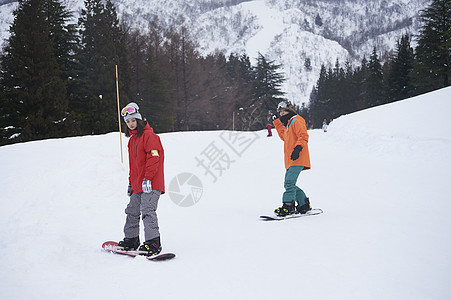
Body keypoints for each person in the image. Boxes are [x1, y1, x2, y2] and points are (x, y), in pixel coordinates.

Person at [117, 102, 165, 255]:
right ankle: (131, 239)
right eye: (128, 122)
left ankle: (153, 242)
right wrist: (131, 184)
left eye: (133, 120)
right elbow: (134, 166)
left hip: (151, 183)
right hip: (138, 185)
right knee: (132, 210)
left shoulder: (150, 136)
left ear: (139, 120)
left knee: (147, 210)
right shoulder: (132, 141)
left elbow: (154, 158)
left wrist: (148, 179)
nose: (131, 124)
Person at [272, 101, 312, 216]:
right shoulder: (289, 123)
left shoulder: (296, 120)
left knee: (289, 183)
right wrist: (276, 122)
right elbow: (284, 136)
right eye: (280, 112)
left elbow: (303, 136)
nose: (282, 113)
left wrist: (298, 149)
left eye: (284, 111)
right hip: (291, 160)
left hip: (297, 157)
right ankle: (303, 205)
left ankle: (288, 207)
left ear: (290, 110)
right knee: (290, 184)